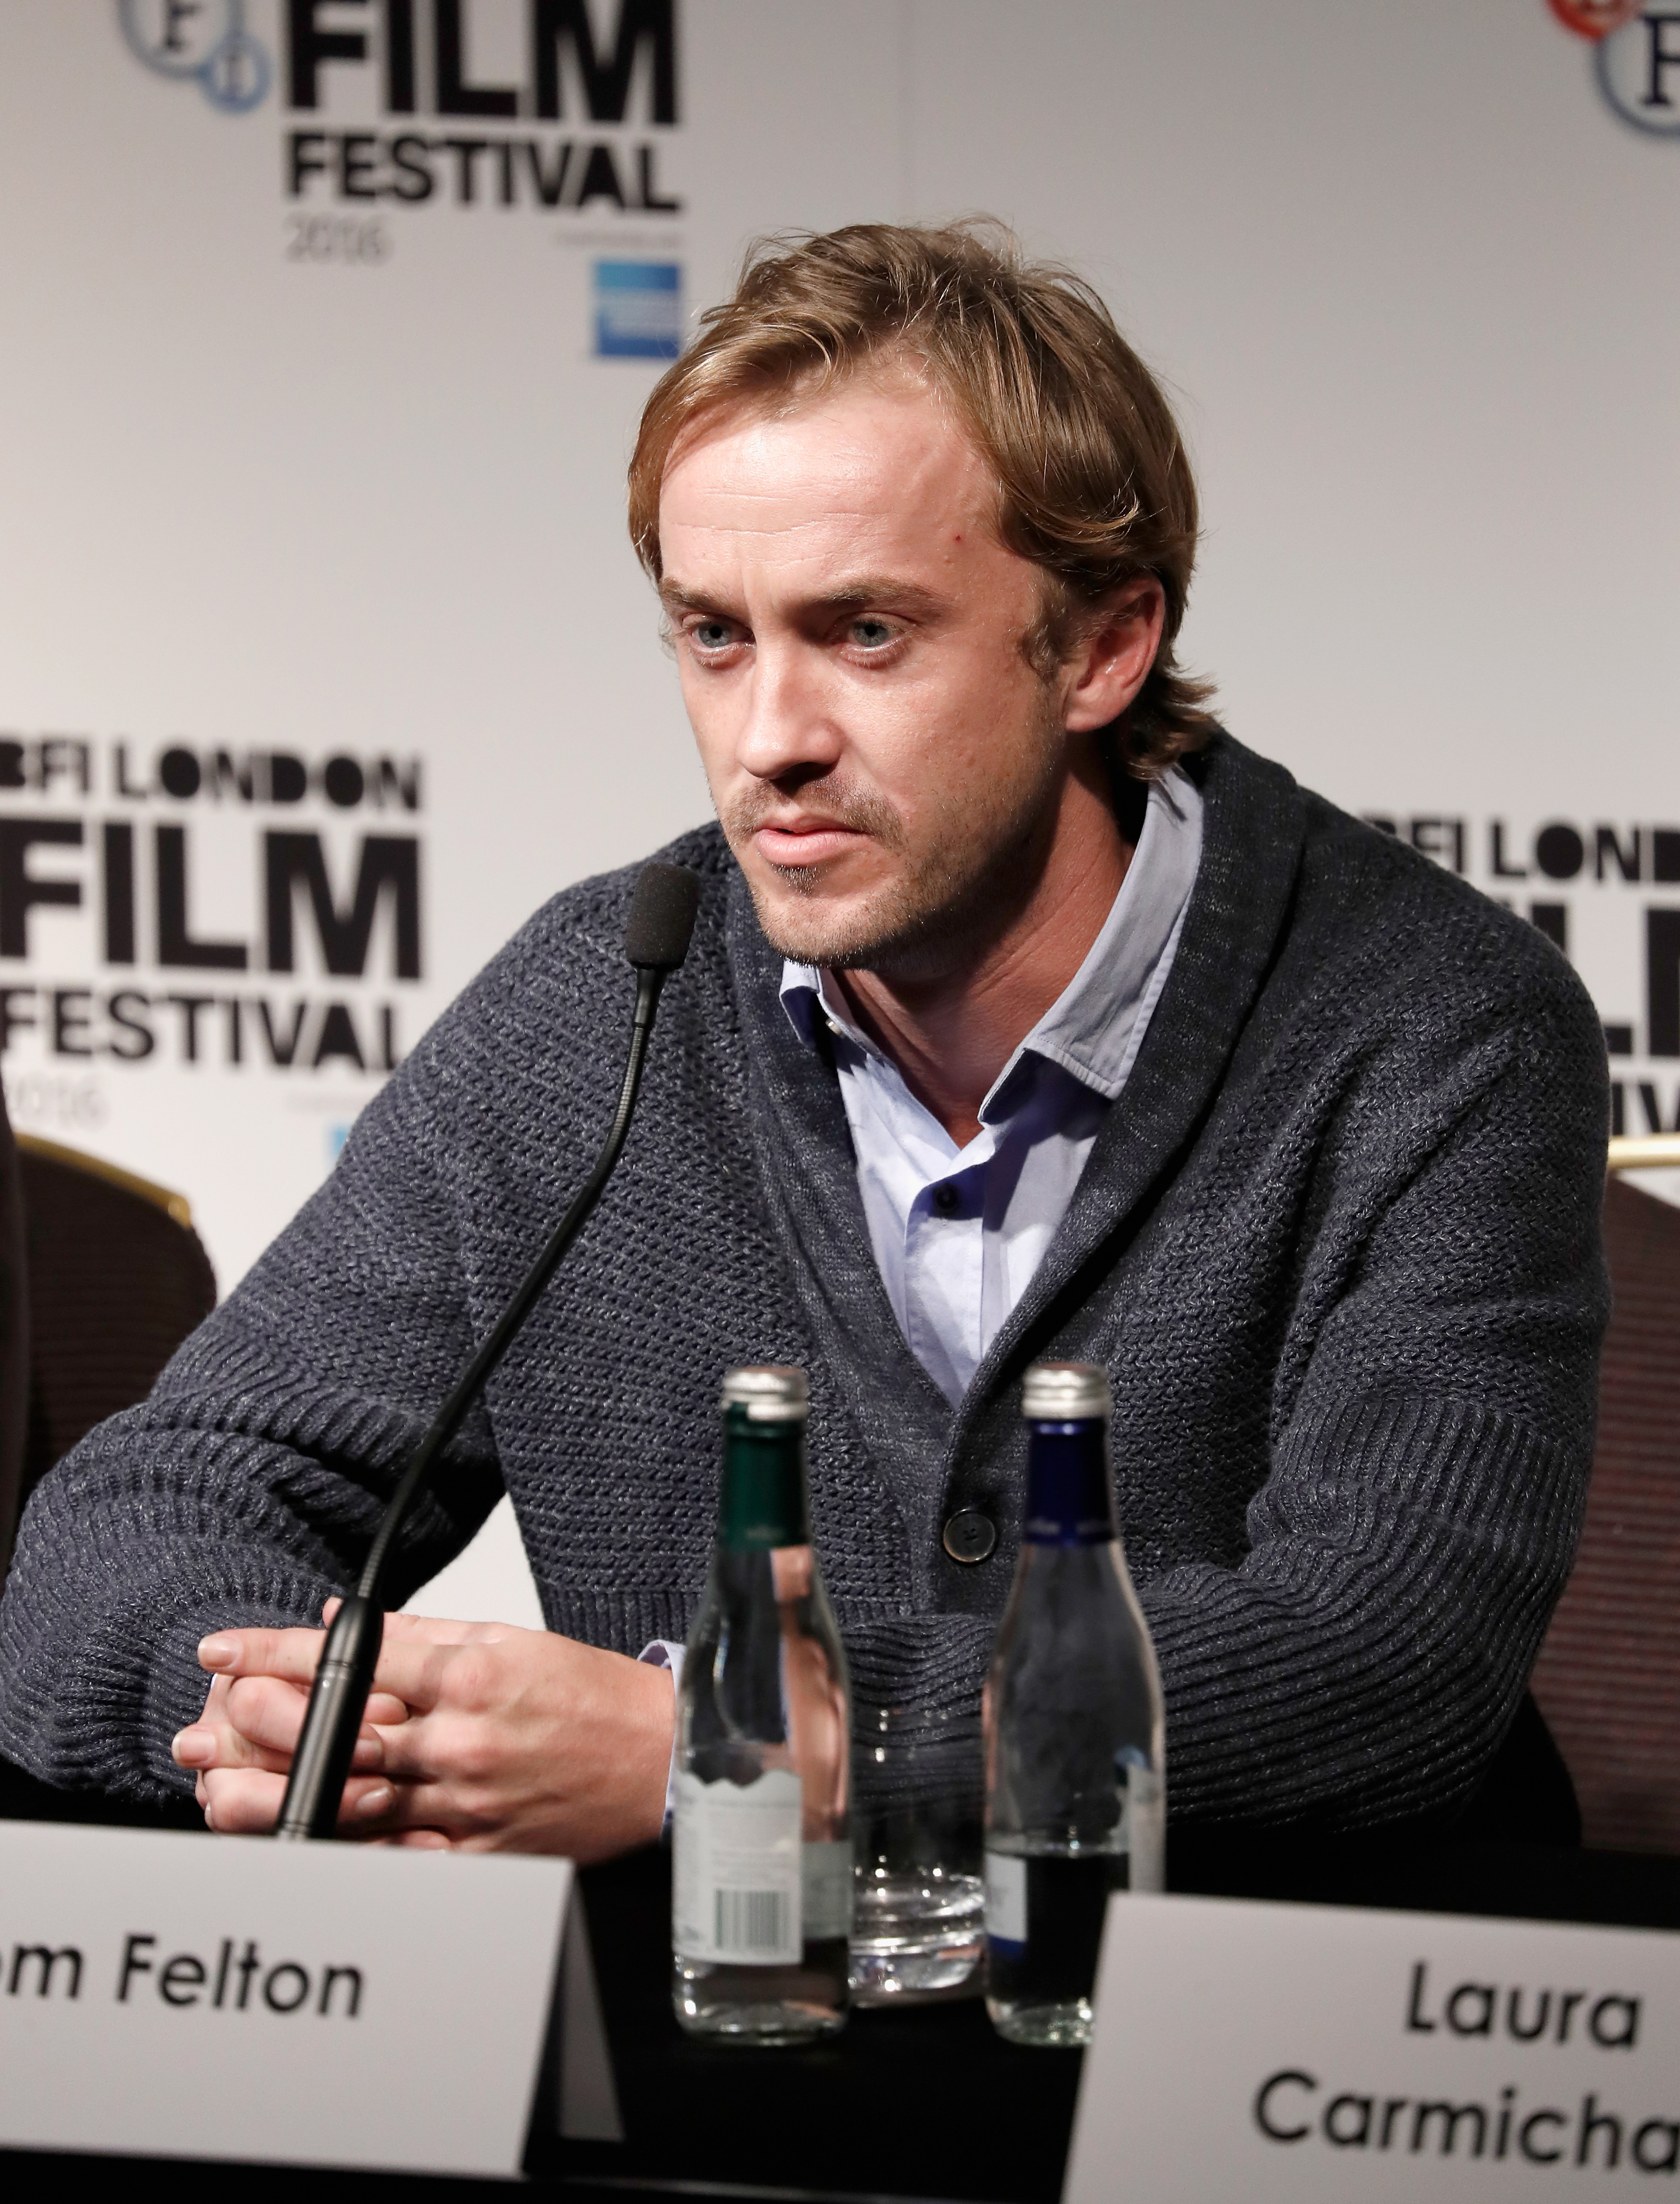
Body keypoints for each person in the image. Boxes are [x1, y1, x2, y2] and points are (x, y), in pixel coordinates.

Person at [0, 222, 1607, 1857]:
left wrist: (750, 1754)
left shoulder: (1432, 1029)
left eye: (868, 634)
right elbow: (135, 1530)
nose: (770, 740)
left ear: (1107, 648)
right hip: (707, 2058)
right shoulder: (602, 999)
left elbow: (1382, 1662)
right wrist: (319, 1728)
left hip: (1242, 2057)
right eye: (715, 635)